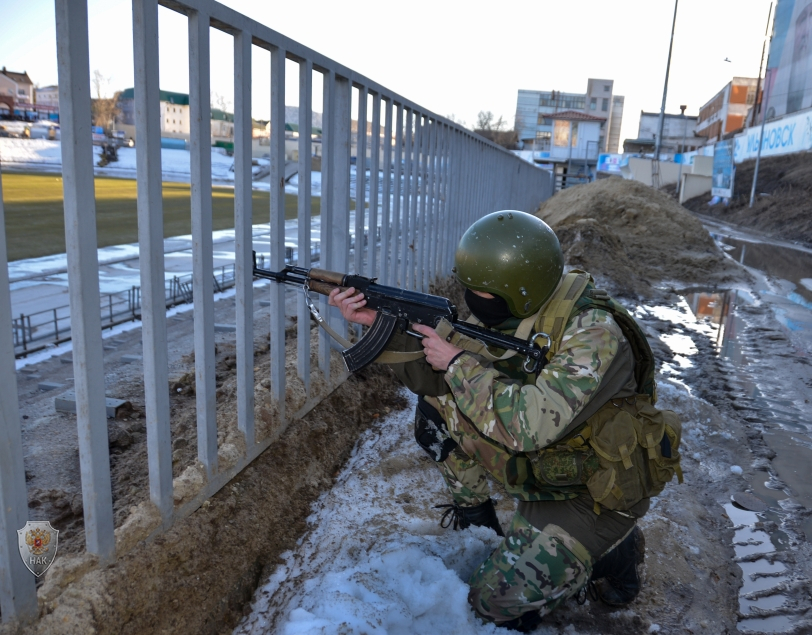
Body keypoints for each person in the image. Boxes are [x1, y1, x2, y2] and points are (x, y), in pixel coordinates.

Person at [329, 210, 679, 631]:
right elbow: (437, 382)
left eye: (484, 293)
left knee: (492, 604)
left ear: (520, 288)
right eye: (470, 289)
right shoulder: (510, 311)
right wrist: (379, 324)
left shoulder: (594, 333)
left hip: (592, 492)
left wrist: (458, 363)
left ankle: (612, 551)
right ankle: (481, 528)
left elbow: (527, 425)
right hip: (548, 464)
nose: (474, 300)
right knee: (434, 414)